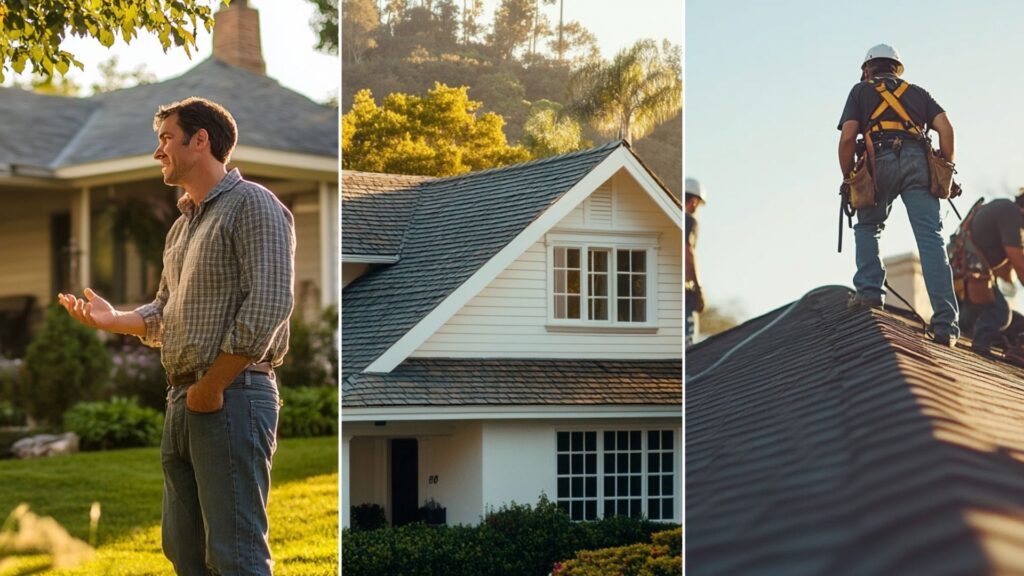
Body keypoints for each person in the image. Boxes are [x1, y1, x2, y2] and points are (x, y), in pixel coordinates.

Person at [58, 97, 295, 576]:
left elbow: (270, 303)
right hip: (183, 398)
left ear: (200, 140)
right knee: (184, 553)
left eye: (166, 138)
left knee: (236, 555)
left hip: (233, 395)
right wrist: (115, 319)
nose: (157, 151)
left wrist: (212, 387)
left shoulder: (253, 204)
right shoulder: (183, 227)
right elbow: (166, 311)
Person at [837, 43, 959, 346]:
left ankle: (869, 294)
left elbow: (848, 138)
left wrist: (849, 176)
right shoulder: (918, 92)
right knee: (930, 237)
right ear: (897, 69)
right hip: (918, 161)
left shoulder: (860, 91)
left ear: (868, 69)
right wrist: (945, 166)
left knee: (868, 226)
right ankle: (946, 325)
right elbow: (946, 129)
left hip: (879, 162)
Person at [951, 193, 1024, 362]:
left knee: (1017, 323)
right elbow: (1019, 264)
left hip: (963, 280)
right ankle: (980, 345)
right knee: (1001, 312)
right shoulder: (1011, 214)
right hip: (971, 278)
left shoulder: (1005, 208)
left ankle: (960, 323)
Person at [685, 177, 706, 346]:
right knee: (689, 345)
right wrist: (698, 288)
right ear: (693, 201)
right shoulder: (689, 221)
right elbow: (688, 252)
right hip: (684, 290)